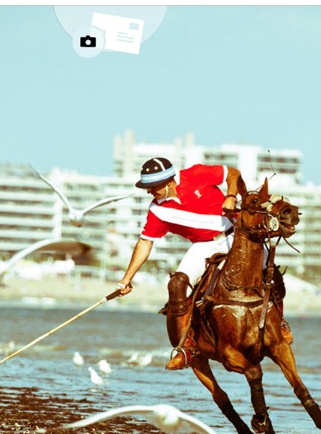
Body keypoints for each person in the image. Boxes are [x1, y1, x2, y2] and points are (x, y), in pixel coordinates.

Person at [116, 157, 292, 370]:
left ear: (168, 181)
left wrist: (230, 195)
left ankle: (280, 324)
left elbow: (233, 173)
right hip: (203, 246)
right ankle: (185, 347)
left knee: (272, 275)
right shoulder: (157, 210)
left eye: (152, 187)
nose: (149, 192)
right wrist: (126, 280)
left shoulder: (196, 174)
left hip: (236, 235)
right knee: (177, 284)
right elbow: (145, 243)